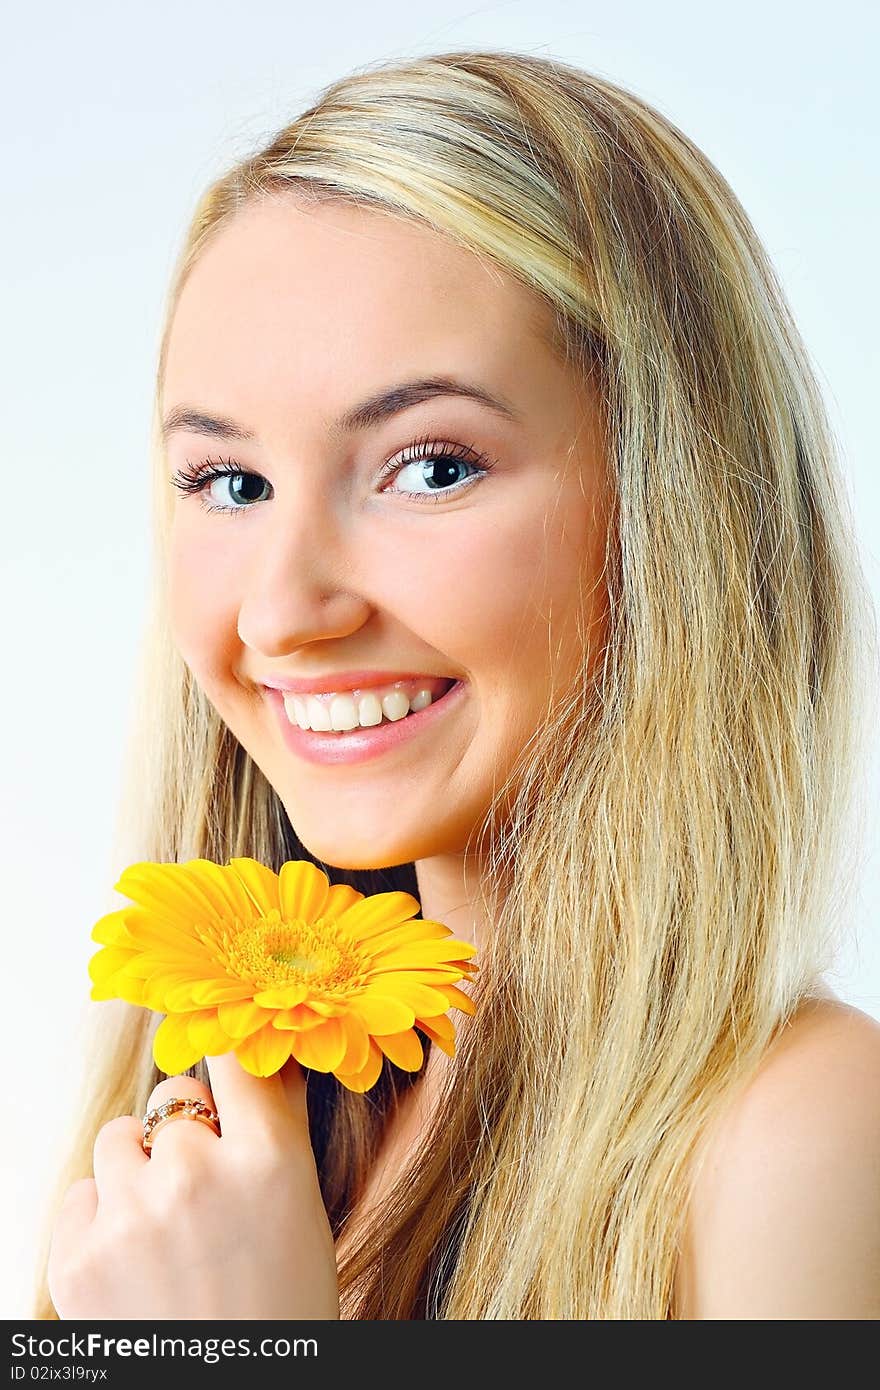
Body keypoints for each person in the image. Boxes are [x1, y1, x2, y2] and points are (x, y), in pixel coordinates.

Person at [35, 48, 880, 1321]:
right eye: (231, 482)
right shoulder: (224, 1127)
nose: (282, 610)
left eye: (427, 467)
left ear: (672, 505)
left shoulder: (804, 1136)